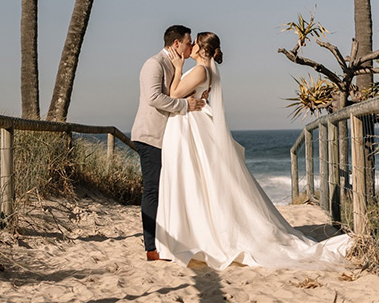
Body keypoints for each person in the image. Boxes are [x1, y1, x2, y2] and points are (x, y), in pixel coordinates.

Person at [154, 31, 351, 271]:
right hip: (192, 127)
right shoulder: (206, 71)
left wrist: (176, 67)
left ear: (202, 49)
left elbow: (174, 94)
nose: (191, 47)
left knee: (195, 179)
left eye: (195, 43)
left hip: (191, 127)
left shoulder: (200, 70)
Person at [131, 25, 207, 261]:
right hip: (151, 135)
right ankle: (151, 247)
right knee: (152, 189)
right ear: (176, 44)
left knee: (168, 189)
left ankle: (170, 242)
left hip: (169, 138)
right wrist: (186, 105)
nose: (191, 46)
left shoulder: (177, 66)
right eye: (188, 42)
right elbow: (154, 97)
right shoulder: (154, 64)